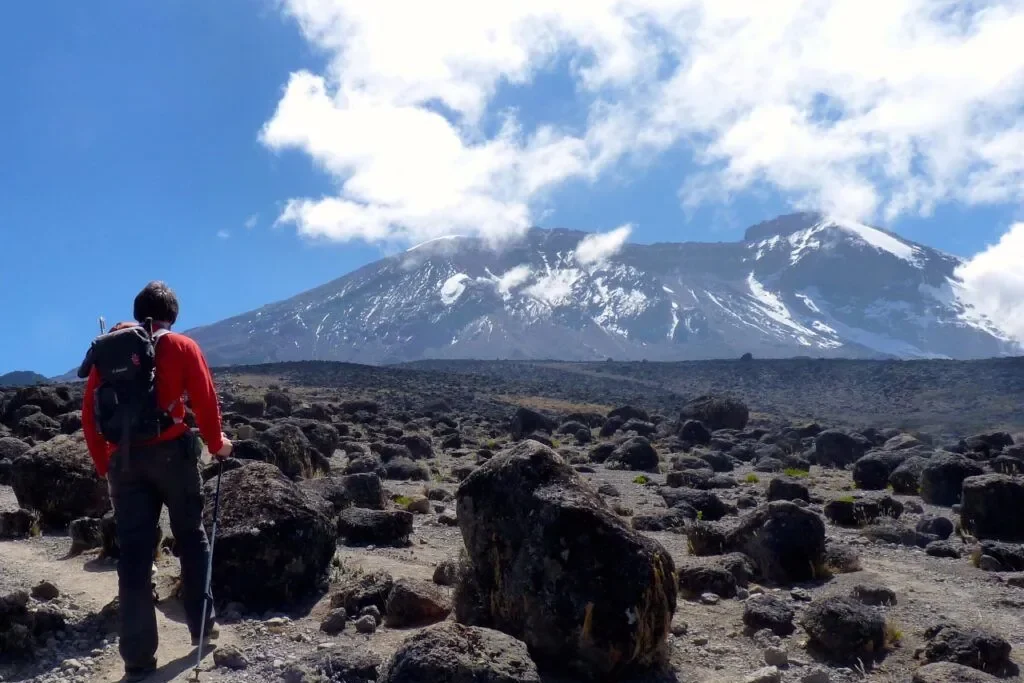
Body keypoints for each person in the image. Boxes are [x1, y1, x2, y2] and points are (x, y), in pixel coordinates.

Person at [81, 281, 233, 682]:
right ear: (173, 315)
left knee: (134, 555)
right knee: (191, 538)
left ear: (137, 309)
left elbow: (89, 416)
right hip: (173, 456)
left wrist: (105, 465)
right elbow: (204, 399)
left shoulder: (109, 351)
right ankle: (202, 628)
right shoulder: (182, 347)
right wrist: (217, 445)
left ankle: (137, 660)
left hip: (124, 462)